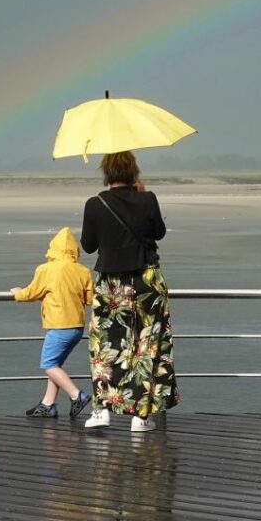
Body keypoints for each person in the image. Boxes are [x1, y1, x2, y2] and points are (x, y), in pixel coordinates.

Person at [80, 151, 180, 432]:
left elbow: (88, 245)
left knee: (105, 346)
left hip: (111, 284)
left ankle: (101, 410)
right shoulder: (147, 200)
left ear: (106, 173)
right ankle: (141, 415)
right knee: (147, 346)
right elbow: (159, 233)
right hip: (146, 280)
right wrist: (143, 195)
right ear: (133, 171)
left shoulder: (95, 203)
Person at [10, 226, 95, 419]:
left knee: (49, 365)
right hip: (76, 326)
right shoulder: (82, 270)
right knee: (56, 364)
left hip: (58, 326)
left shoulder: (46, 269)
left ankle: (77, 396)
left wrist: (17, 293)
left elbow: (32, 292)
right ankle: (48, 404)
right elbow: (90, 299)